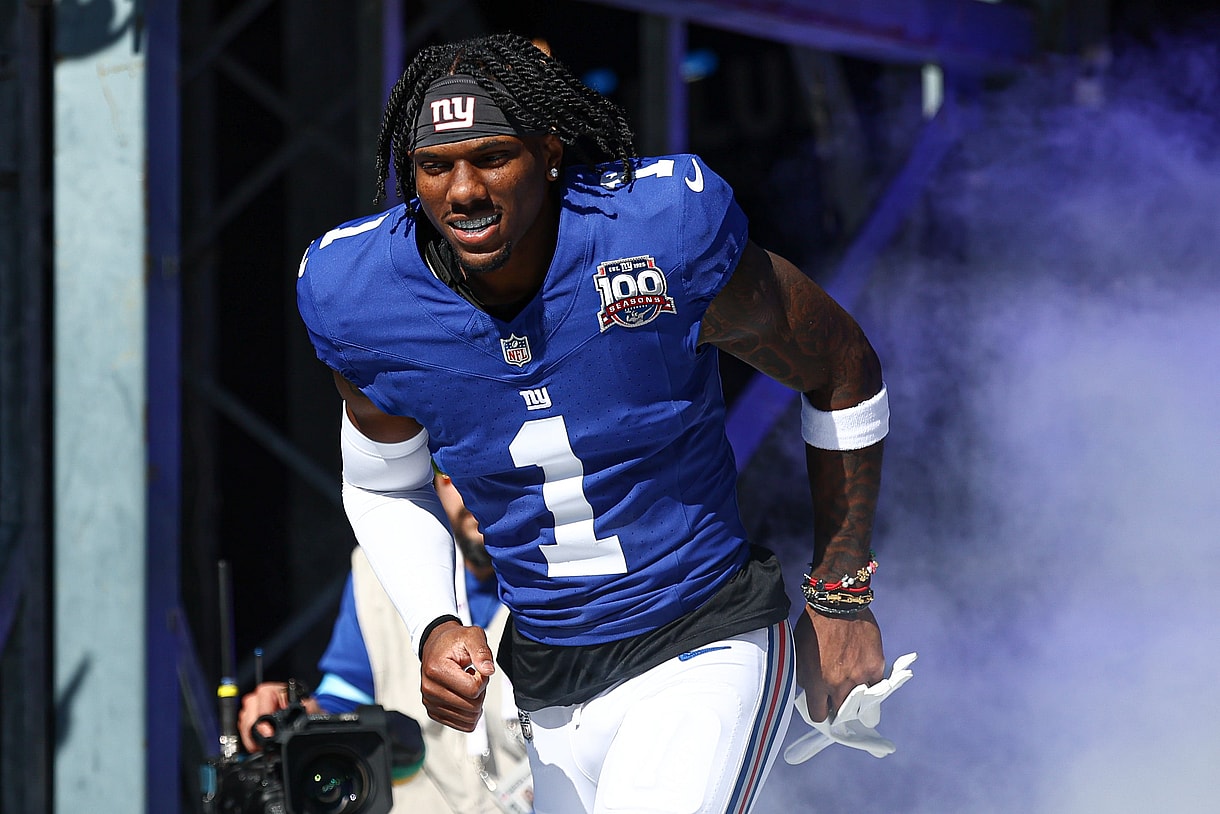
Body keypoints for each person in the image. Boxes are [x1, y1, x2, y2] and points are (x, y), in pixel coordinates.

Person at [295, 32, 891, 814]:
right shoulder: (360, 292)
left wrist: (841, 593)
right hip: (546, 686)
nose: (463, 190)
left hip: (701, 638)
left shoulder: (654, 228)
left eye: (492, 156)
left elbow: (840, 364)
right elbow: (382, 482)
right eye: (435, 167)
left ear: (548, 150)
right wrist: (436, 620)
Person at [238, 472, 533, 814]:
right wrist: (295, 716)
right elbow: (347, 695)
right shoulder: (380, 568)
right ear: (434, 482)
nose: (471, 488)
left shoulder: (569, 569)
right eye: (451, 475)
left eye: (488, 469)